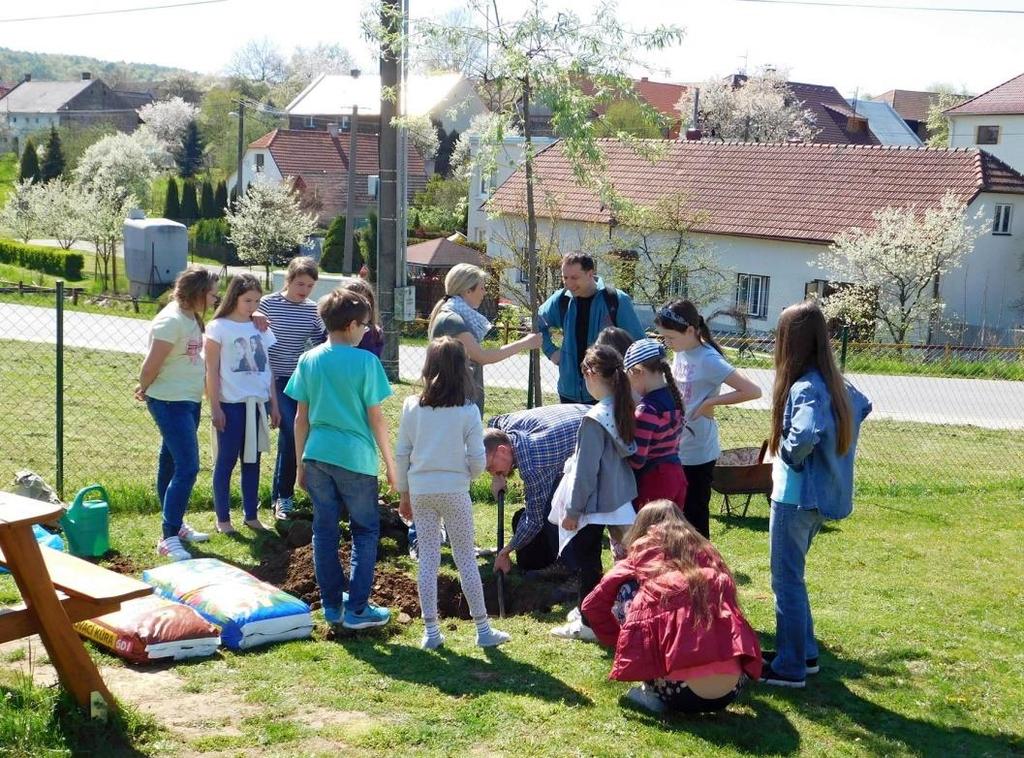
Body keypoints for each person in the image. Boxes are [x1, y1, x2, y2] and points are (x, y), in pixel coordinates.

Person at [760, 301, 872, 688]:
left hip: (794, 498)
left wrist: (791, 452)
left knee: (785, 581)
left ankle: (790, 668)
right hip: (813, 500)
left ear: (790, 342)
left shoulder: (806, 386)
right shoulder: (835, 383)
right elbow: (863, 405)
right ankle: (803, 654)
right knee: (794, 578)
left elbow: (804, 434)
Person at [581, 500, 762, 714]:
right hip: (732, 690)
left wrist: (618, 640)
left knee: (627, 590)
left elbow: (592, 604)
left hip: (678, 692)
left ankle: (652, 688)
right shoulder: (709, 555)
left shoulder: (641, 554)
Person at [286, 288, 397, 630]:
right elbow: (376, 419)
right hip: (355, 460)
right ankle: (358, 610)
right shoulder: (366, 362)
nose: (367, 330)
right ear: (350, 325)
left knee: (324, 531)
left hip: (317, 454)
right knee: (365, 531)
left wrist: (299, 466)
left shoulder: (309, 359)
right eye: (365, 325)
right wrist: (392, 466)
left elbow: (299, 418)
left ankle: (333, 607)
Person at [395, 337, 510, 650]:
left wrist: (404, 493)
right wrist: (467, 477)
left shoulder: (411, 406)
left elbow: (402, 453)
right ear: (462, 370)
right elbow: (476, 459)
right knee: (465, 560)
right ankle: (483, 630)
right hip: (454, 491)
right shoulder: (468, 411)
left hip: (420, 491)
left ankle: (431, 633)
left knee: (428, 560)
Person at [549, 345, 638, 641]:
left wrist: (572, 511)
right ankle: (614, 612)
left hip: (594, 504)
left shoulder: (594, 418)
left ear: (590, 373)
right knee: (626, 561)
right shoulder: (623, 405)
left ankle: (588, 624)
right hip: (620, 498)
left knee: (587, 564)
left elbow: (586, 471)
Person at [654, 300, 762, 539]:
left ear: (691, 331)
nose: (667, 343)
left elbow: (753, 391)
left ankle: (703, 568)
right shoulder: (681, 352)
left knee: (695, 515)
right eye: (664, 337)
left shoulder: (708, 359)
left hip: (698, 451)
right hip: (676, 445)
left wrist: (709, 403)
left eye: (670, 337)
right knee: (674, 512)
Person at [136, 265, 219, 561]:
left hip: (187, 400)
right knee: (188, 466)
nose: (215, 299)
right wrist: (143, 386)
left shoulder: (190, 317)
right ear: (196, 293)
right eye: (211, 294)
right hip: (169, 401)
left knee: (169, 461)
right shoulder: (171, 321)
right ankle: (168, 536)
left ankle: (176, 524)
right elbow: (151, 363)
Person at [205, 273, 280, 534]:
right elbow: (211, 370)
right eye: (247, 300)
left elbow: (267, 367)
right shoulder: (218, 328)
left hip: (257, 404)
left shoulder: (260, 326)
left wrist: (274, 403)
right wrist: (215, 407)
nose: (252, 306)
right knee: (226, 462)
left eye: (257, 301)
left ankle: (251, 515)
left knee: (253, 461)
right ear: (234, 297)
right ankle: (223, 520)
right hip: (231, 404)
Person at [256, 257, 327, 520]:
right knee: (289, 429)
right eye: (300, 283)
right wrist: (254, 315)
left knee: (293, 435)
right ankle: (282, 496)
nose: (305, 290)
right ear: (288, 280)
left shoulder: (312, 311)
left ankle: (281, 496)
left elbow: (324, 338)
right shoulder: (268, 304)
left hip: (295, 381)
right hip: (268, 380)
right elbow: (248, 322)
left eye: (310, 285)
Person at [484, 404, 589, 575]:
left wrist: (506, 551)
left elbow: (534, 519)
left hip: (603, 435)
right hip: (583, 417)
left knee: (552, 506)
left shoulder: (533, 464)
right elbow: (493, 422)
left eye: (490, 468)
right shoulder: (507, 428)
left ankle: (573, 571)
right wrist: (498, 474)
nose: (491, 473)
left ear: (502, 451)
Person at [428, 263, 541, 415]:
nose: (485, 293)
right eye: (482, 288)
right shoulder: (452, 319)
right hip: (453, 406)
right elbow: (481, 357)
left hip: (458, 404)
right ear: (468, 290)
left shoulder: (456, 315)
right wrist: (525, 343)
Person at [538, 252, 644, 404]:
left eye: (574, 277)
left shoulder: (615, 300)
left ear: (590, 273)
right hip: (568, 392)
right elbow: (538, 322)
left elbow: (638, 345)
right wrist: (551, 351)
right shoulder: (561, 300)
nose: (568, 283)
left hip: (607, 393)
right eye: (565, 277)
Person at [622, 338, 687, 511]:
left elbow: (637, 460)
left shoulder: (646, 410)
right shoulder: (674, 398)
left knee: (649, 534)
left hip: (655, 481)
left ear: (638, 372)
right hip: (676, 475)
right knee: (670, 534)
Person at [345, 279, 384, 358]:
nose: (359, 307)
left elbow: (372, 363)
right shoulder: (335, 329)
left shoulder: (373, 333)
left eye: (364, 302)